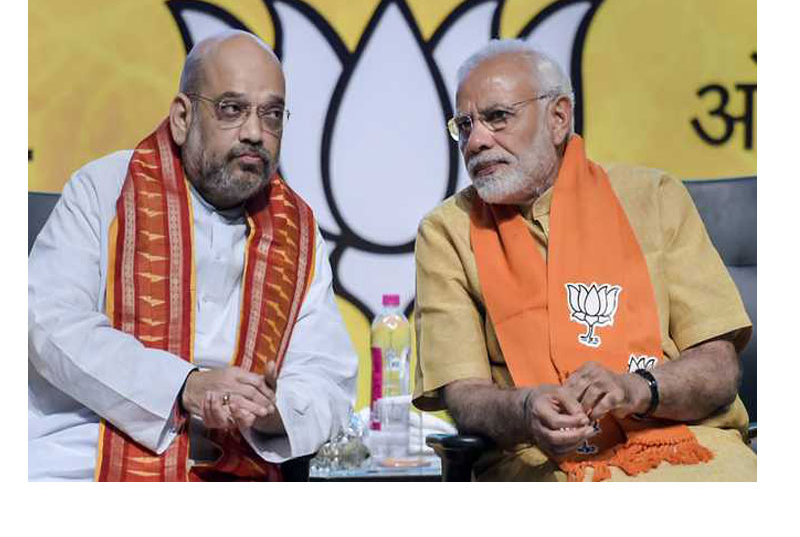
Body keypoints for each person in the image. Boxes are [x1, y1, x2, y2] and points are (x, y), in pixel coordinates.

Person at [412, 39, 756, 481]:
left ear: (558, 118)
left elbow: (719, 367)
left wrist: (637, 388)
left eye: (497, 117)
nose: (476, 141)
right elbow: (464, 395)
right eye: (465, 125)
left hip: (691, 448)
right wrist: (526, 408)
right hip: (540, 461)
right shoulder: (447, 232)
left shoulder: (653, 197)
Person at [28, 30, 358, 481]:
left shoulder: (298, 230)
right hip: (85, 462)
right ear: (182, 117)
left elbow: (328, 378)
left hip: (236, 472)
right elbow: (48, 323)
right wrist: (185, 385)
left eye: (272, 115)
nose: (255, 133)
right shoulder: (104, 190)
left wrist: (270, 411)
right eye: (232, 109)